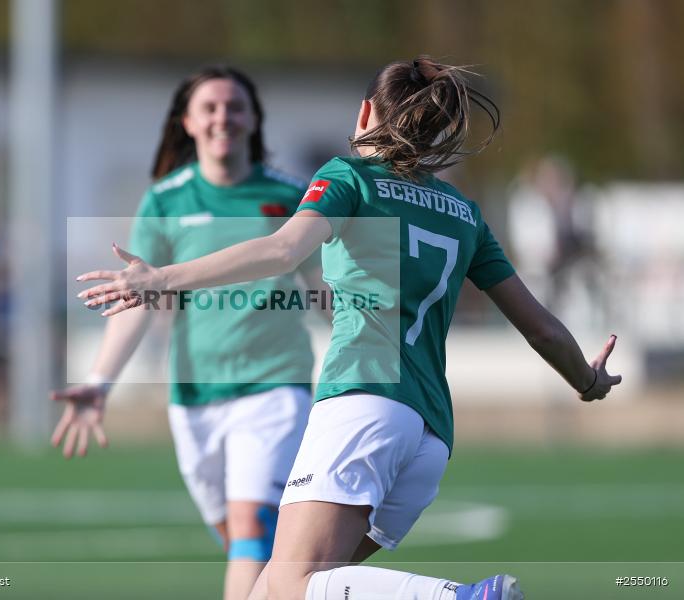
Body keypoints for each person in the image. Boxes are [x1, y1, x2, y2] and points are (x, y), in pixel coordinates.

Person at [77, 56, 622, 600]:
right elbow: (542, 329)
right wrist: (587, 379)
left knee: (289, 584)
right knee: (271, 591)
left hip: (364, 403)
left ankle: (459, 597)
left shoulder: (349, 178)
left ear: (365, 114)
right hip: (431, 434)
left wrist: (161, 278)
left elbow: (281, 250)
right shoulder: (464, 213)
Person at [52, 65, 329, 600]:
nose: (223, 117)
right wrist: (100, 382)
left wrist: (377, 360)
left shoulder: (292, 197)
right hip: (194, 398)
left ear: (254, 119)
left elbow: (326, 293)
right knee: (250, 550)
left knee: (251, 530)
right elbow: (138, 302)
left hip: (276, 388)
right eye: (210, 107)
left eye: (235, 106)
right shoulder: (166, 200)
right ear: (189, 122)